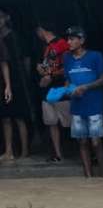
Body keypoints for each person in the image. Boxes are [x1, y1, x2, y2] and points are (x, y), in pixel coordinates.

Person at [63, 26, 103, 177]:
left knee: (96, 142)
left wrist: (86, 87)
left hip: (95, 104)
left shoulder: (96, 56)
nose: (68, 42)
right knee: (82, 142)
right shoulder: (66, 58)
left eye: (72, 39)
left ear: (81, 40)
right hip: (77, 105)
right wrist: (69, 89)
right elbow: (67, 81)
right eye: (68, 39)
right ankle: (88, 177)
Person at [35, 23, 71, 162]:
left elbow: (68, 67)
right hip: (48, 90)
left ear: (42, 30)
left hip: (62, 87)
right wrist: (42, 72)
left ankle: (84, 151)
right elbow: (44, 67)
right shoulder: (45, 48)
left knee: (69, 122)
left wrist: (51, 75)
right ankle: (58, 154)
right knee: (52, 122)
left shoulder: (63, 43)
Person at [0, 11, 31, 163]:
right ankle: (9, 150)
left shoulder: (13, 37)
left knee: (19, 116)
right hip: (6, 81)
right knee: (6, 117)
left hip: (17, 80)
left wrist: (11, 84)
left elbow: (16, 60)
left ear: (6, 18)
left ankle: (24, 151)